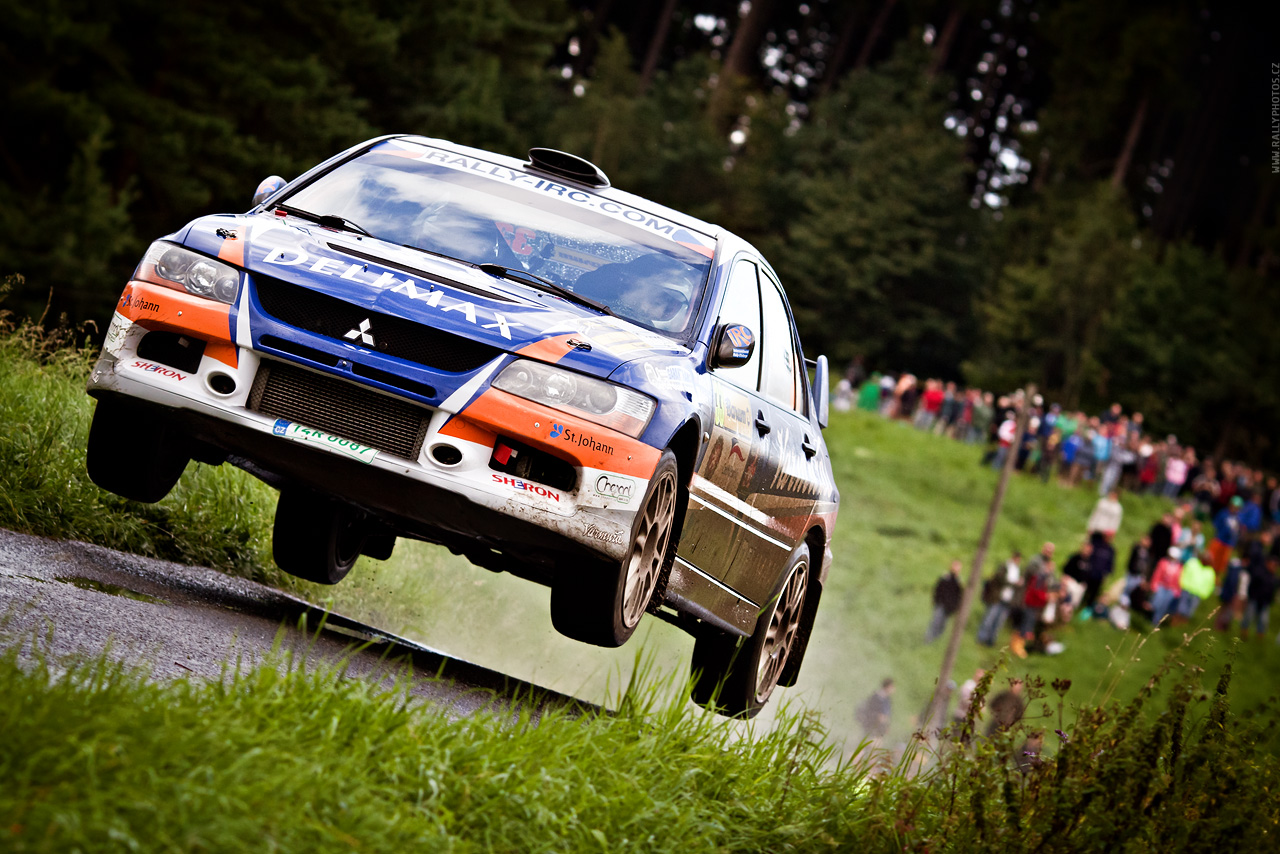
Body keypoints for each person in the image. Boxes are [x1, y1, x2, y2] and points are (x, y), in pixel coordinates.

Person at [1016, 543, 1056, 658]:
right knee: (1025, 623)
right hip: (1031, 602)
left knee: (1029, 624)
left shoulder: (1046, 577)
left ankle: (1022, 645)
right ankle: (1018, 646)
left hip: (1037, 604)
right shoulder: (1039, 575)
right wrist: (1046, 597)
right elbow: (1035, 590)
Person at [977, 552, 1022, 646]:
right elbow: (1000, 579)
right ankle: (981, 637)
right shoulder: (1004, 566)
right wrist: (1014, 583)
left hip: (1008, 600)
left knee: (999, 622)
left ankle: (991, 640)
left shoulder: (1017, 570)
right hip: (998, 597)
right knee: (989, 618)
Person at [925, 560, 964, 643]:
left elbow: (959, 595)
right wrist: (936, 600)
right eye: (955, 566)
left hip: (950, 607)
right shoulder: (945, 577)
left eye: (958, 567)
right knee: (935, 622)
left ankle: (936, 640)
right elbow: (938, 589)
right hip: (941, 604)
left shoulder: (958, 581)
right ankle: (928, 639)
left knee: (942, 625)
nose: (956, 569)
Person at [1208, 496, 1244, 579]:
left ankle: (1215, 578)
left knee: (1221, 564)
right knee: (1212, 559)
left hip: (1228, 544)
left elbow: (1238, 532)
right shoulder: (1223, 513)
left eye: (1237, 507)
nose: (1234, 508)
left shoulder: (1238, 518)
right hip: (1219, 540)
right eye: (1233, 506)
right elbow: (1215, 525)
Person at [1176, 549, 1216, 625]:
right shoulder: (1193, 563)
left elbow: (1210, 585)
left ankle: (1182, 626)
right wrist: (1183, 584)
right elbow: (1184, 573)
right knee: (1181, 607)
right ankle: (1175, 623)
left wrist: (1204, 594)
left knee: (1190, 610)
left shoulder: (1210, 571)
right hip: (1187, 589)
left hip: (1198, 594)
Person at [1149, 547, 1184, 629]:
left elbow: (1179, 579)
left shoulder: (1179, 567)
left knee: (1164, 606)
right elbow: (1157, 573)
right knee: (1156, 603)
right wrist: (1154, 584)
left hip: (1171, 589)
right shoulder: (1163, 562)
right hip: (1161, 586)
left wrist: (1177, 590)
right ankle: (1151, 617)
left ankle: (1156, 622)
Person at [856, 679, 895, 747]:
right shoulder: (876, 697)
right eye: (892, 687)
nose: (894, 689)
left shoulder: (887, 699)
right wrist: (879, 717)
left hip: (879, 730)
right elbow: (870, 712)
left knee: (875, 747)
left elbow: (886, 716)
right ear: (888, 686)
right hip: (871, 727)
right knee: (868, 745)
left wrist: (886, 726)